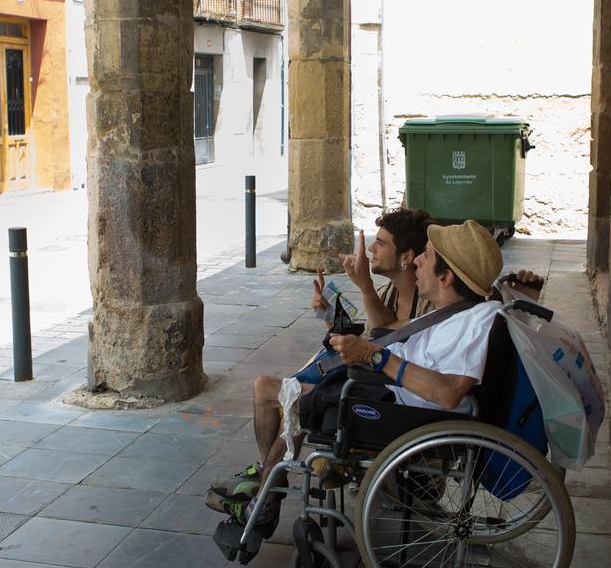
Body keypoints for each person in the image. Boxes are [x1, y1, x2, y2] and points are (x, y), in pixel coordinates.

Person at [210, 220, 508, 531]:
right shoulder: (452, 312)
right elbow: (380, 333)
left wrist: (373, 357)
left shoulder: (473, 324)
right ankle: (266, 488)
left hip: (392, 407)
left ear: (445, 277)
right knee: (279, 389)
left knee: (270, 390)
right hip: (383, 390)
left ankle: (265, 494)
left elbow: (448, 392)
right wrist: (347, 331)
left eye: (428, 256)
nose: (420, 259)